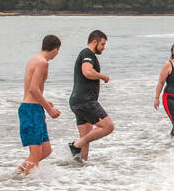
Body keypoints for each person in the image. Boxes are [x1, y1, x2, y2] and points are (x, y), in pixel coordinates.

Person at [16, 35, 63, 176]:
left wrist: (45, 102)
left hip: (34, 107)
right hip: (31, 110)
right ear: (55, 49)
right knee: (36, 154)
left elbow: (33, 89)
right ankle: (28, 184)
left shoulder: (34, 59)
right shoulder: (43, 63)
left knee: (46, 150)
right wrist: (49, 109)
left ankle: (15, 174)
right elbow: (33, 89)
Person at [67, 30, 113, 163]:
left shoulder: (85, 54)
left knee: (86, 139)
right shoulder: (87, 53)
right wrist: (102, 76)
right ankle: (75, 145)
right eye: (102, 44)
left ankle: (80, 166)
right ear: (94, 42)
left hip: (77, 101)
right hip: (85, 101)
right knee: (108, 127)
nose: (103, 47)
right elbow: (87, 72)